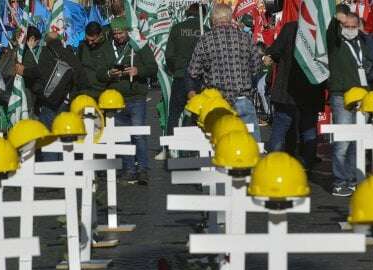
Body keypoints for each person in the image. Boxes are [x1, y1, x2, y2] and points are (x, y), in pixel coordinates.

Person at [326, 12, 373, 196]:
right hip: (341, 95)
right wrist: (338, 19)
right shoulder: (335, 43)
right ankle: (339, 180)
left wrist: (372, 75)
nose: (350, 30)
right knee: (343, 140)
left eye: (354, 26)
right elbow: (330, 32)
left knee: (357, 140)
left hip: (363, 96)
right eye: (347, 26)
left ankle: (353, 177)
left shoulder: (365, 42)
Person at [96, 17, 157, 185]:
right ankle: (129, 169)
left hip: (136, 97)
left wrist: (138, 71)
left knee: (138, 135)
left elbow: (153, 68)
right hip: (115, 100)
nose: (118, 36)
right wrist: (109, 74)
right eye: (115, 33)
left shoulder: (139, 46)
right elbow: (99, 72)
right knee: (122, 137)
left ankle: (143, 169)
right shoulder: (107, 47)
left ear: (127, 32)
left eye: (120, 33)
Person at [187, 4, 262, 141]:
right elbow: (257, 67)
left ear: (213, 20)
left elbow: (193, 72)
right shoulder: (245, 37)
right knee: (252, 147)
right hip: (243, 99)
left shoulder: (206, 40)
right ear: (229, 18)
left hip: (217, 103)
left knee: (222, 146)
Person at [263, 19, 324, 167]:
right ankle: (306, 167)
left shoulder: (291, 27)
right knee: (307, 130)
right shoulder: (321, 29)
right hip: (311, 90)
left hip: (288, 90)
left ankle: (273, 165)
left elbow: (275, 52)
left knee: (281, 128)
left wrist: (269, 57)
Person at [165, 3, 205, 135]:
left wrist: (175, 69)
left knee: (174, 115)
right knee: (199, 113)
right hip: (199, 78)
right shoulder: (205, 30)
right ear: (202, 15)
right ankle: (197, 146)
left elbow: (169, 55)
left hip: (180, 76)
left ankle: (170, 146)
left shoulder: (177, 28)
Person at [33, 31, 87, 127]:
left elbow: (39, 75)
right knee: (63, 131)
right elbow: (81, 77)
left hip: (48, 100)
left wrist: (39, 95)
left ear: (46, 42)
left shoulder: (44, 53)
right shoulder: (69, 53)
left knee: (46, 134)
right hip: (65, 99)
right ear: (60, 41)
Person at [78, 21, 110, 99]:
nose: (89, 43)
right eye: (87, 39)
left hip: (102, 94)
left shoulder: (108, 47)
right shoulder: (82, 46)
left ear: (100, 35)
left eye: (93, 40)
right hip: (84, 93)